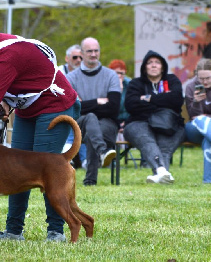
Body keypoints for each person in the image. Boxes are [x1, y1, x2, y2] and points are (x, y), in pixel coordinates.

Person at [0, 11, 80, 242]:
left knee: (47, 169)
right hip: (28, 109)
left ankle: (56, 232)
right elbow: (0, 93)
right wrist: (7, 104)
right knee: (15, 168)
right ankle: (13, 230)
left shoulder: (4, 54)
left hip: (54, 105)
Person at [123, 50, 185, 184]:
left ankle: (160, 173)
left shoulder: (172, 80)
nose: (153, 65)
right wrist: (163, 103)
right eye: (149, 63)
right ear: (144, 67)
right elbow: (131, 105)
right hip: (138, 123)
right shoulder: (135, 83)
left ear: (162, 67)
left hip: (169, 124)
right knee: (147, 141)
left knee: (165, 148)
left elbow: (177, 100)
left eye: (157, 62)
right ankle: (162, 172)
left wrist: (148, 99)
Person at [66, 37, 120, 186]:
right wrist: (98, 101)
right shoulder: (70, 78)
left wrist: (86, 104)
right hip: (79, 124)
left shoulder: (111, 76)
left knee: (92, 128)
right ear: (82, 53)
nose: (93, 54)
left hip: (107, 124)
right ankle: (103, 152)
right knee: (90, 119)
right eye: (89, 51)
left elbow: (114, 107)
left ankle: (90, 179)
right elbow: (74, 107)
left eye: (96, 51)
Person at [60, 44, 87, 169]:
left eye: (81, 58)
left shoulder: (86, 73)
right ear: (67, 58)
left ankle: (85, 159)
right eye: (75, 57)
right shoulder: (59, 72)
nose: (79, 60)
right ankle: (68, 156)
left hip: (84, 111)